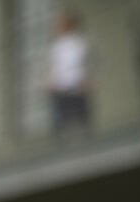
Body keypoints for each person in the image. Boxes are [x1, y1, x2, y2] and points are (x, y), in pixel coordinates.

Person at [47, 10, 92, 139]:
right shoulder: (55, 46)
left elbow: (86, 63)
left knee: (81, 117)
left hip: (77, 85)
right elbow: (54, 67)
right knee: (61, 119)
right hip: (61, 87)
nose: (58, 27)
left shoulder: (80, 43)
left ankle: (86, 138)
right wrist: (50, 81)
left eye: (61, 24)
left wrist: (87, 79)